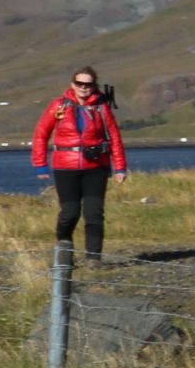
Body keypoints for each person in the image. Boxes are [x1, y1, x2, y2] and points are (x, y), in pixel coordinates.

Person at [30, 67, 126, 260]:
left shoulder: (102, 108)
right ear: (72, 84)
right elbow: (41, 134)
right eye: (79, 83)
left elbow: (114, 137)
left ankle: (93, 259)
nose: (83, 87)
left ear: (94, 86)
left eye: (88, 84)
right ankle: (64, 251)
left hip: (96, 167)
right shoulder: (59, 105)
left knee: (94, 213)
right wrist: (40, 164)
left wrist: (120, 167)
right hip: (65, 167)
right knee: (69, 213)